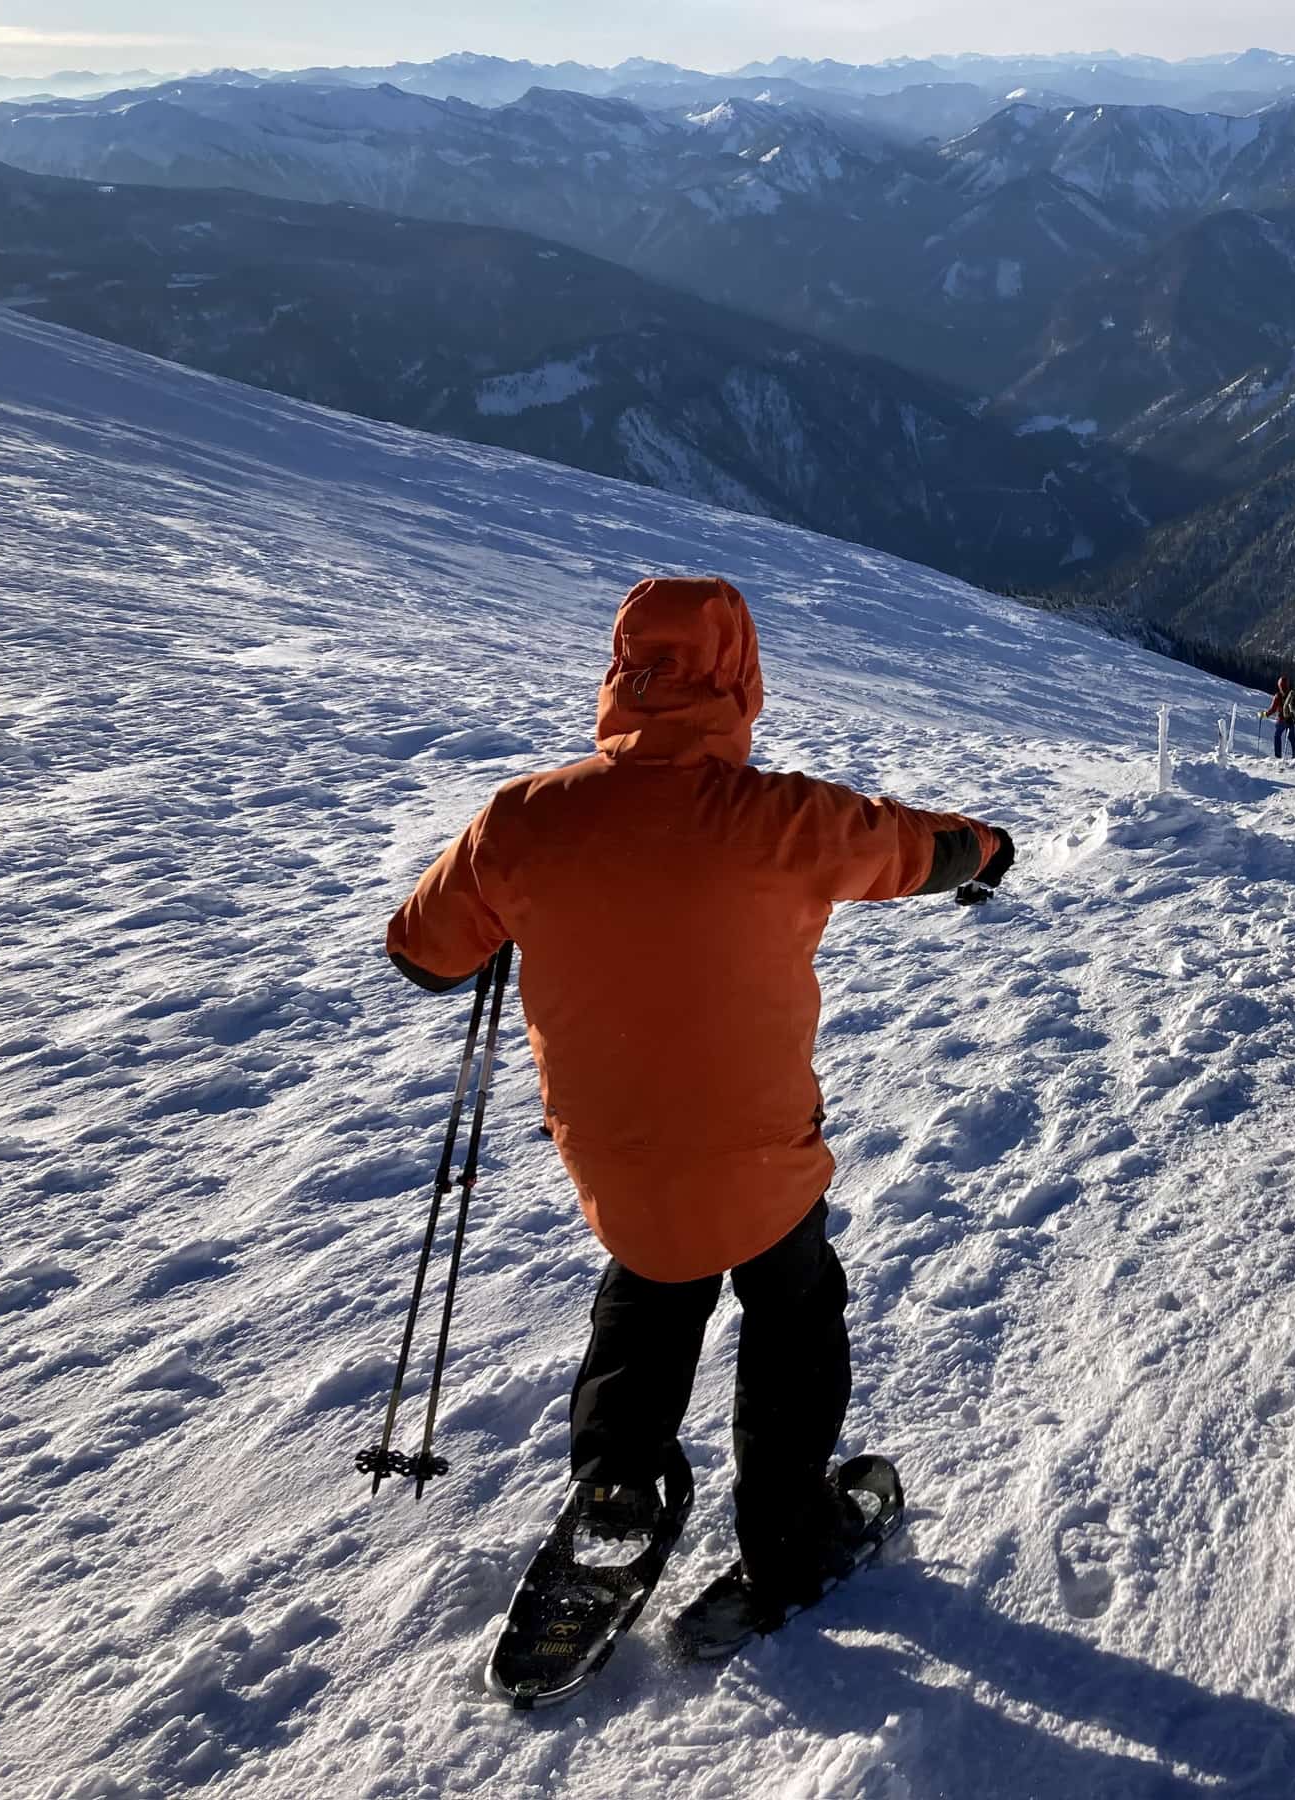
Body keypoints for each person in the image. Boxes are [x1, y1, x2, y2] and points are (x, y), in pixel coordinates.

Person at [383, 575, 1012, 1658]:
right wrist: (986, 849)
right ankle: (788, 1536)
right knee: (793, 1313)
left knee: (650, 1288)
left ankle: (618, 1490)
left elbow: (422, 952)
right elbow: (915, 847)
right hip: (764, 1156)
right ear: (739, 680)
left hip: (613, 1162)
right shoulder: (785, 820)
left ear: (621, 674)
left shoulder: (525, 818)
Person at [1261, 675, 1294, 761]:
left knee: (1277, 736)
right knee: (1292, 738)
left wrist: (1264, 714)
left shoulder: (1278, 696)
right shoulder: (1291, 694)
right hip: (1290, 720)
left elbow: (1272, 709)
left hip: (1281, 720)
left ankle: (1278, 756)